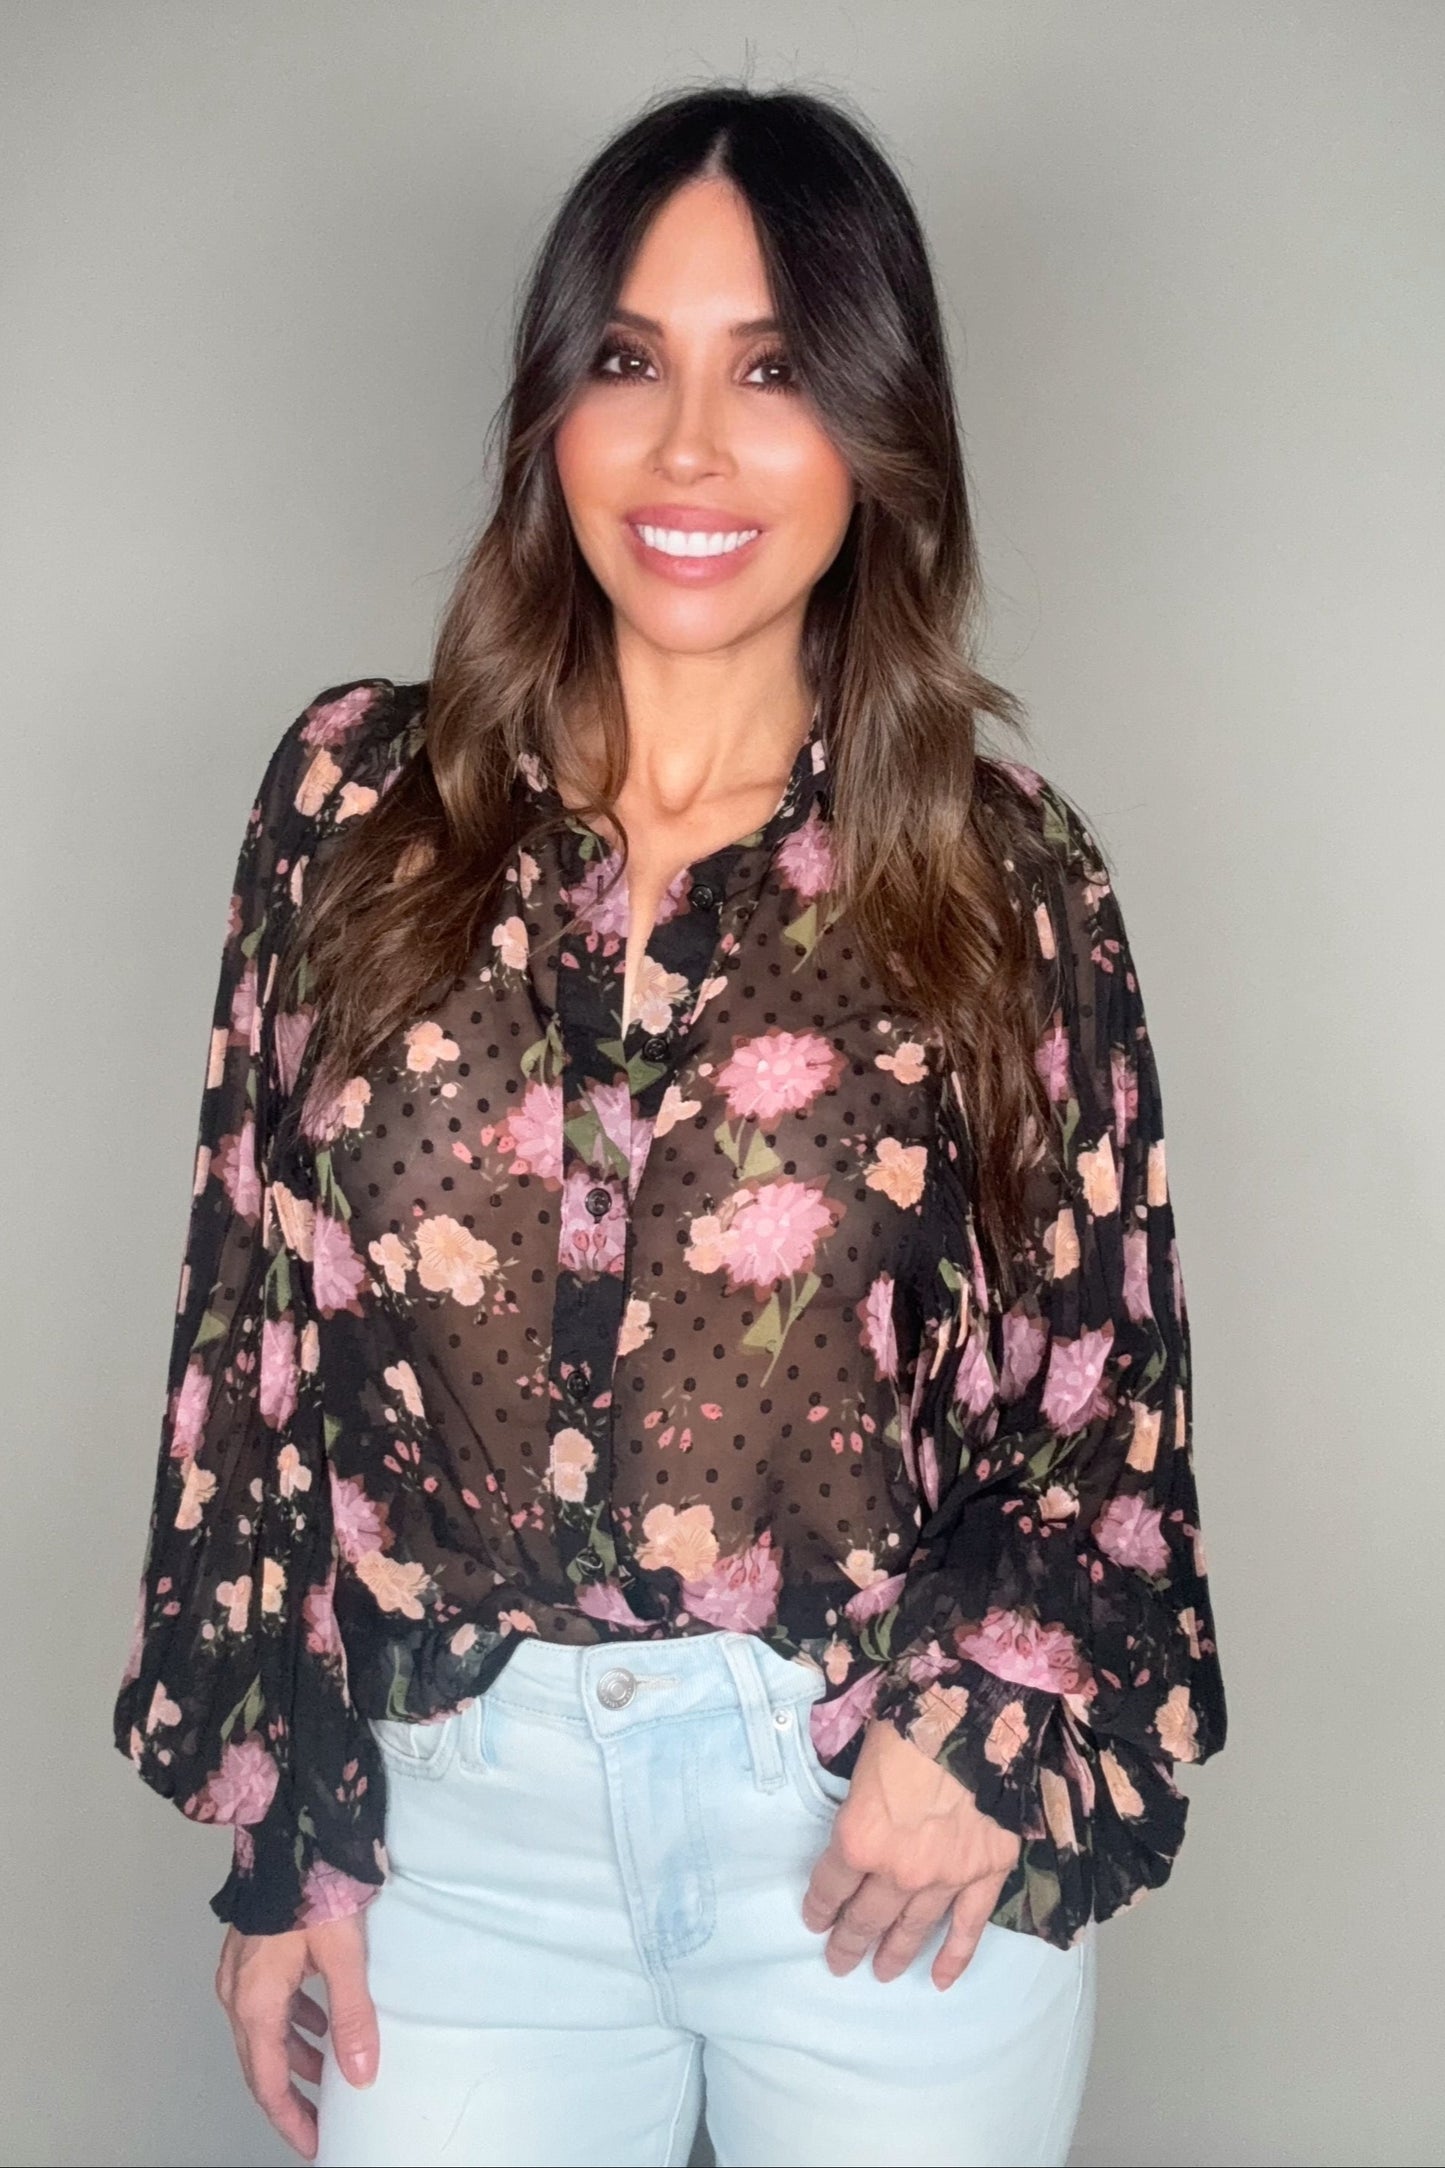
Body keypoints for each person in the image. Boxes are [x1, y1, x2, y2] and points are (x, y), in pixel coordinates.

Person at [112, 83, 1227, 2168]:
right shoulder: (358, 809)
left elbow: (1109, 1385)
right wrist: (287, 1837)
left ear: (880, 434)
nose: (690, 448)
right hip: (458, 1829)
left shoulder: (994, 877)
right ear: (555, 403)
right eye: (629, 359)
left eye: (776, 371)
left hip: (865, 1817)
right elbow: (247, 1352)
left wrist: (978, 1729)